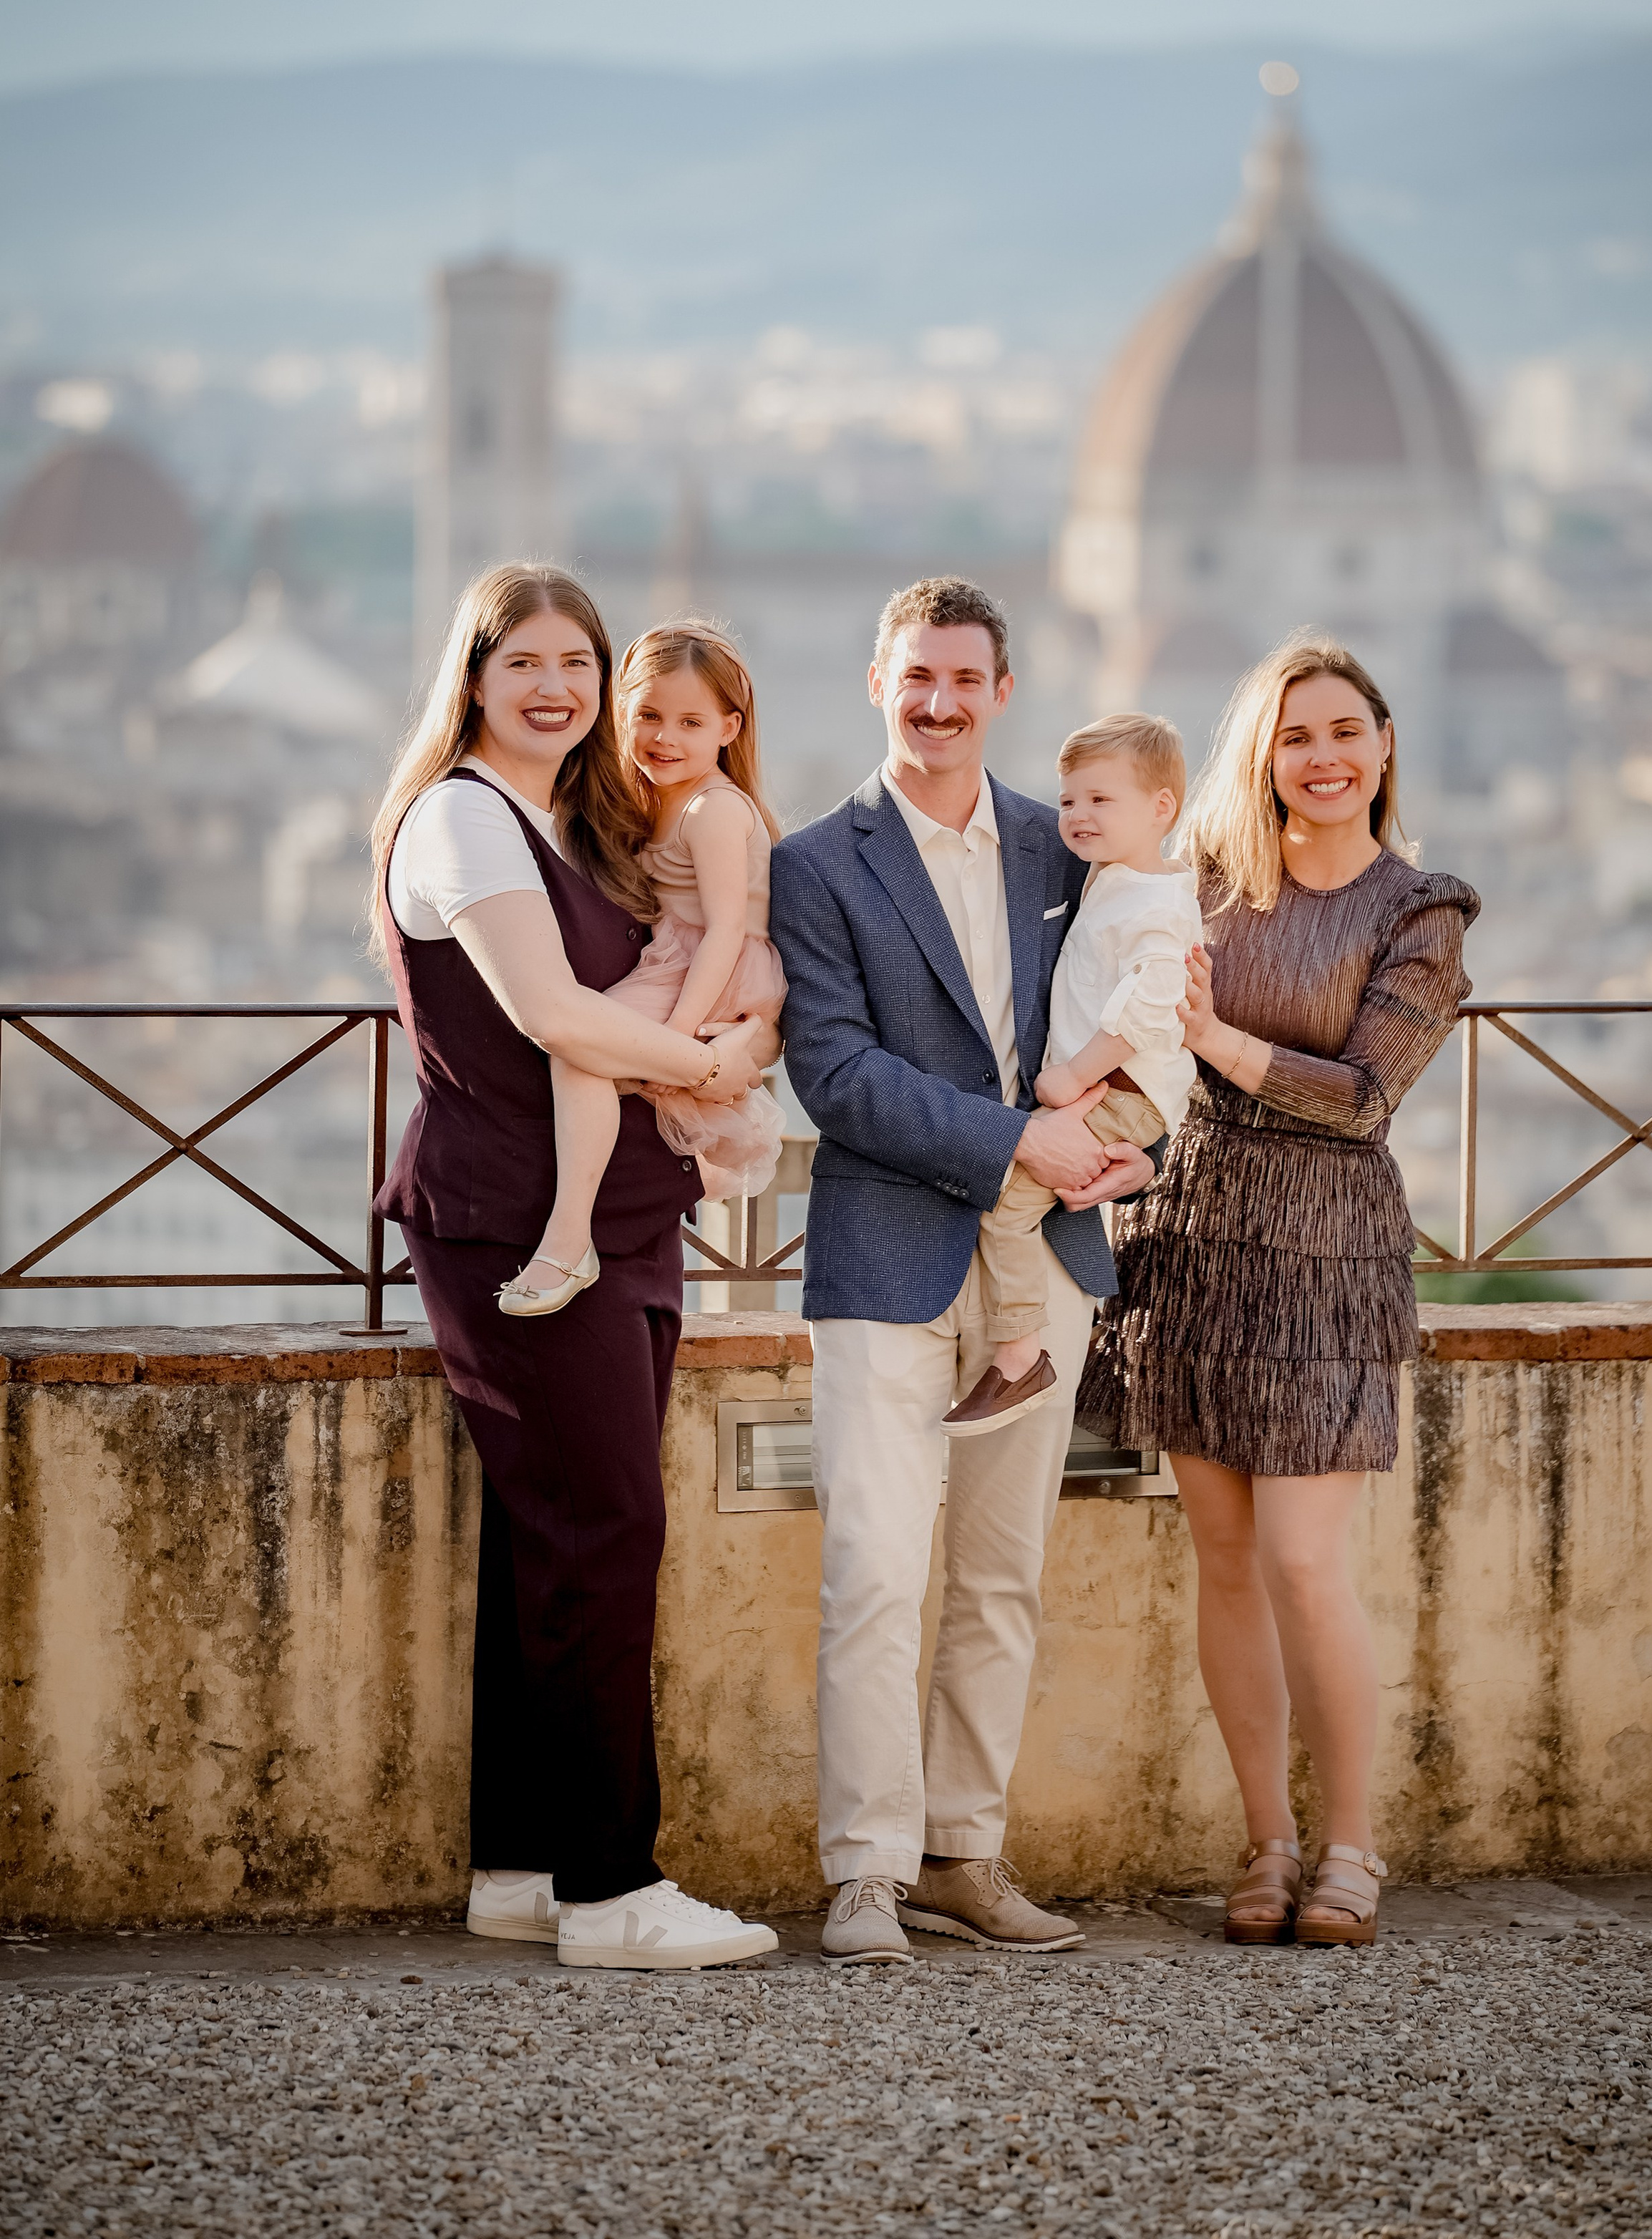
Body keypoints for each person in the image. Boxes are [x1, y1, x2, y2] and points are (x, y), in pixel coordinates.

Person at [370, 561, 779, 1973]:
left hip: (616, 1222)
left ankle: (522, 1868)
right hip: (514, 1225)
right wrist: (714, 1061)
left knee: (552, 1541)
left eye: (574, 662)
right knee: (607, 1535)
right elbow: (552, 1017)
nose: (552, 686)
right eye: (522, 661)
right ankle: (612, 1891)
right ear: (472, 677)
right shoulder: (463, 823)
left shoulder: (572, 818)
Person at [770, 575, 1157, 1965]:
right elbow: (834, 1073)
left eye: (963, 682)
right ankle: (864, 1870)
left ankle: (962, 1853)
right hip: (885, 1251)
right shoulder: (814, 863)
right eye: (913, 677)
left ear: (1002, 694)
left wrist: (1125, 1142)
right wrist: (1021, 1143)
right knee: (872, 1571)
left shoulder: (1073, 850)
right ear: (878, 681)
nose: (937, 703)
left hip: (1043, 1258)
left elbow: (1147, 1008)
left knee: (1002, 1575)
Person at [1080, 632, 1477, 1948]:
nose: (1322, 758)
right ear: (1262, 755)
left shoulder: (1419, 910)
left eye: (1344, 732)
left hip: (1325, 1251)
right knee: (1230, 1562)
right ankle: (1265, 1844)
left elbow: (1364, 1102)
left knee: (1308, 1565)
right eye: (1294, 735)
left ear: (1383, 748)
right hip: (1190, 1235)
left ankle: (1353, 1846)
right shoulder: (1190, 886)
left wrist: (1214, 1042)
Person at [497, 618, 787, 1318]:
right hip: (680, 962)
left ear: (728, 727)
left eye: (690, 721)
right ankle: (589, 1231)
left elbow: (722, 930)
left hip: (706, 968)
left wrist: (682, 1036)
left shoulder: (713, 808)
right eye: (648, 716)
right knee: (585, 1061)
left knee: (580, 1056)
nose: (665, 736)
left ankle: (569, 1240)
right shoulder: (661, 798)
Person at [944, 711, 1205, 1435]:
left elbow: (1154, 1001)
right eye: (1068, 800)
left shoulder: (1157, 900)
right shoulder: (1114, 883)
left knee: (1008, 1203)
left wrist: (1073, 1075)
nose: (1078, 815)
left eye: (1100, 800)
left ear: (1161, 808)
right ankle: (1017, 1349)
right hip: (1109, 1089)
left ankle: (1020, 1356)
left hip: (1117, 1091)